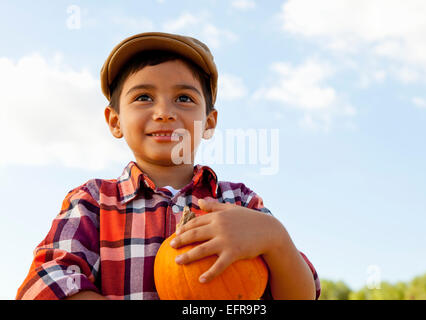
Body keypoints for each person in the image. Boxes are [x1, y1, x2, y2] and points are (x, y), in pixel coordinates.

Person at [16, 32, 320, 300]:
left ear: (209, 122)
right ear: (115, 121)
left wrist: (275, 238)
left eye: (184, 98)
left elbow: (303, 294)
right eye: (144, 97)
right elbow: (45, 283)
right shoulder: (92, 201)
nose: (164, 112)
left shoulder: (239, 203)